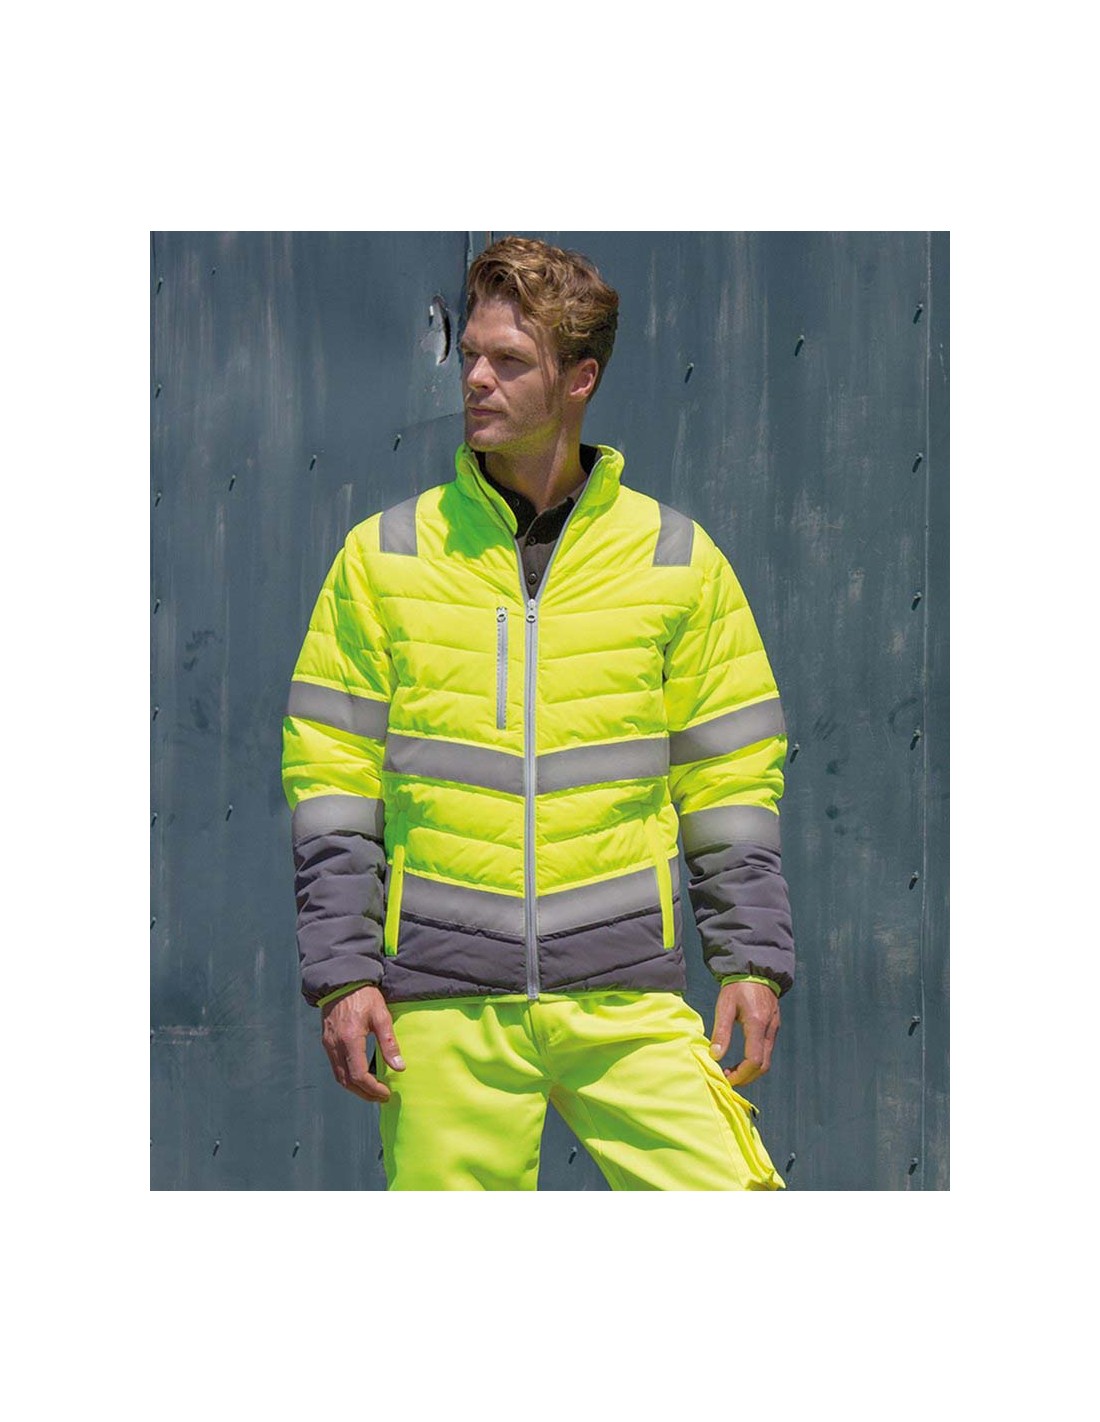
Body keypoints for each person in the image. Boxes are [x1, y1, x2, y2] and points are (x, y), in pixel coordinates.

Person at [282, 235, 794, 1190]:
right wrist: (344, 975)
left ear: (579, 379)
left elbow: (730, 782)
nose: (475, 379)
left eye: (509, 361)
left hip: (627, 1001)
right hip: (442, 1009)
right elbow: (332, 784)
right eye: (472, 354)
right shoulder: (384, 558)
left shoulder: (675, 560)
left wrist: (750, 963)